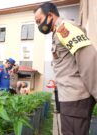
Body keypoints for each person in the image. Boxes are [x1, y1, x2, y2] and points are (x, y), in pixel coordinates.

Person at [34, 2, 97, 135]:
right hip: (70, 98)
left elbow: (89, 60)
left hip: (76, 99)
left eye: (39, 21)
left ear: (50, 15)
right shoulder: (56, 33)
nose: (39, 26)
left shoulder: (65, 28)